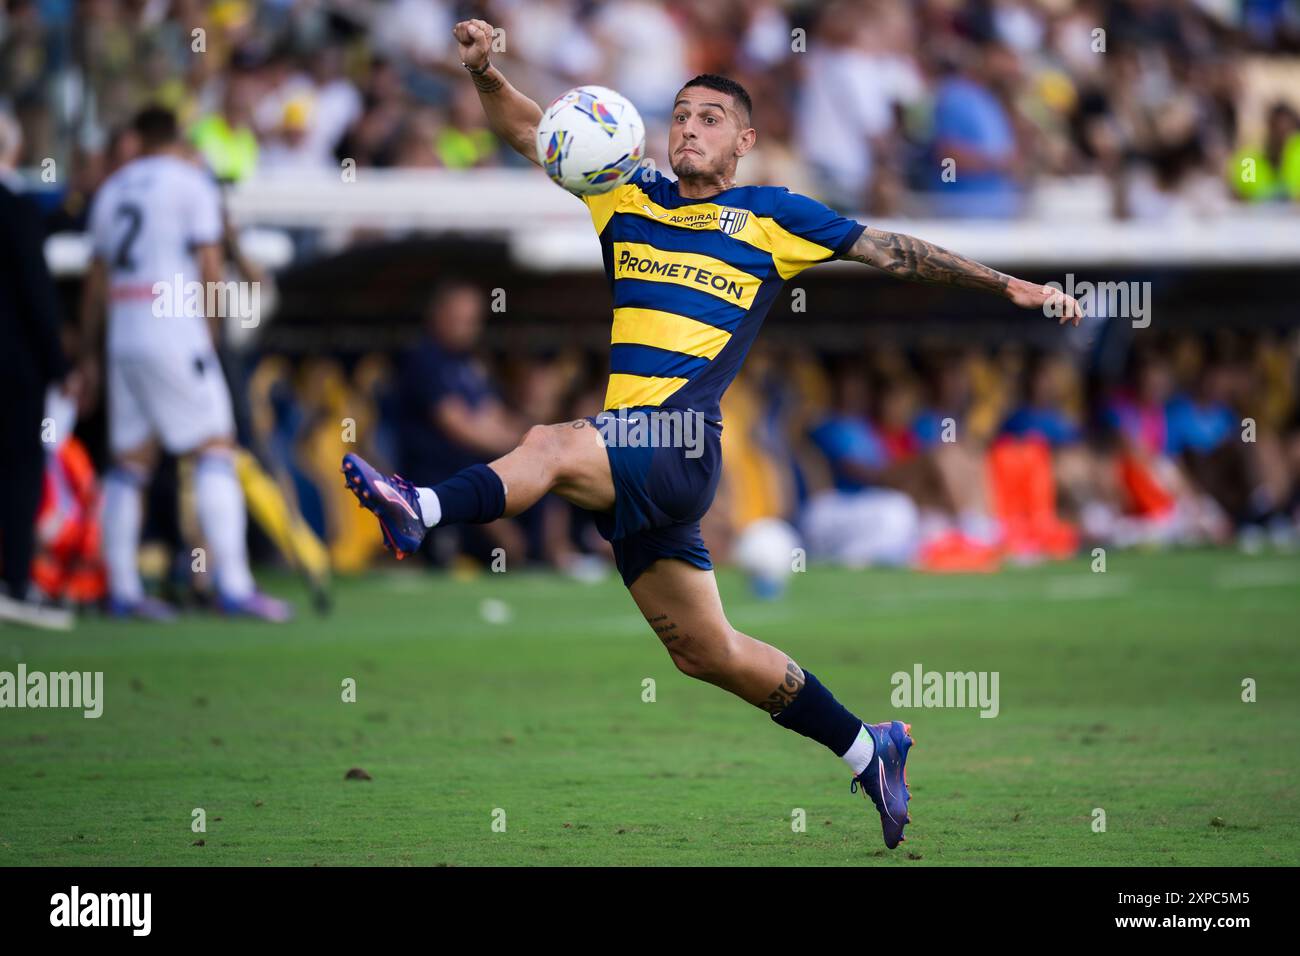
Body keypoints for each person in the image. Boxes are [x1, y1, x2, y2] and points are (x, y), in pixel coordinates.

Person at [340, 19, 1082, 850]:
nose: (689, 128)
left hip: (682, 440)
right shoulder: (628, 192)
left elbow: (892, 250)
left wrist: (1007, 284)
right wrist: (485, 74)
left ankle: (421, 508)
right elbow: (534, 131)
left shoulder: (773, 215)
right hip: (631, 455)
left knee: (548, 443)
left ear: (745, 141)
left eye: (710, 118)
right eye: (681, 115)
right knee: (708, 652)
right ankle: (870, 748)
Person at [79, 106, 290, 621]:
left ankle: (124, 591)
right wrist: (211, 332)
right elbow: (210, 265)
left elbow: (95, 279)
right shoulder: (190, 182)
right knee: (216, 449)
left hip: (124, 330)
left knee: (130, 463)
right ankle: (234, 586)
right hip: (175, 329)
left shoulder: (113, 188)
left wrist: (90, 353)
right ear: (176, 139)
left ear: (140, 137)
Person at [0, 111, 75, 630]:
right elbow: (36, 296)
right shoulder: (18, 210)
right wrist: (59, 364)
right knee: (19, 471)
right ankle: (15, 581)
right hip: (13, 368)